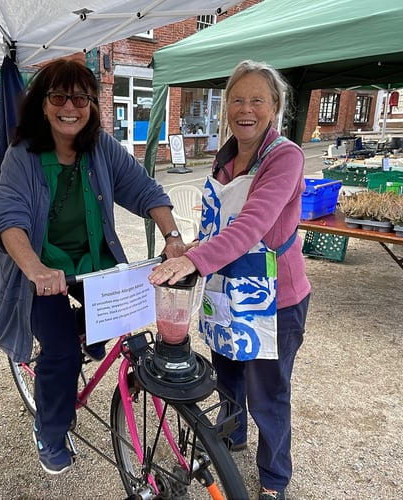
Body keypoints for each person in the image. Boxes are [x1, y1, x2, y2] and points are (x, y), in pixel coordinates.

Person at [0, 58, 185, 475]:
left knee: (122, 317)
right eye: (59, 96)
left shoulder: (101, 147)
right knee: (60, 352)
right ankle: (50, 431)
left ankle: (84, 331)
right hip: (40, 275)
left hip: (93, 263)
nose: (69, 106)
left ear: (93, 105)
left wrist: (172, 238)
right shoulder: (22, 156)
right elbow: (7, 220)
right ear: (43, 103)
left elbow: (144, 189)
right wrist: (37, 269)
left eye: (81, 97)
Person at [149, 60, 310, 500]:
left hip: (273, 299)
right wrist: (186, 248)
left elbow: (251, 226)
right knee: (228, 379)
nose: (246, 108)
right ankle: (231, 439)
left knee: (269, 396)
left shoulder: (285, 157)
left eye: (257, 99)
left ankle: (274, 479)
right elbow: (215, 227)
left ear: (274, 106)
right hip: (224, 293)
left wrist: (194, 262)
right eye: (237, 99)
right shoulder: (223, 158)